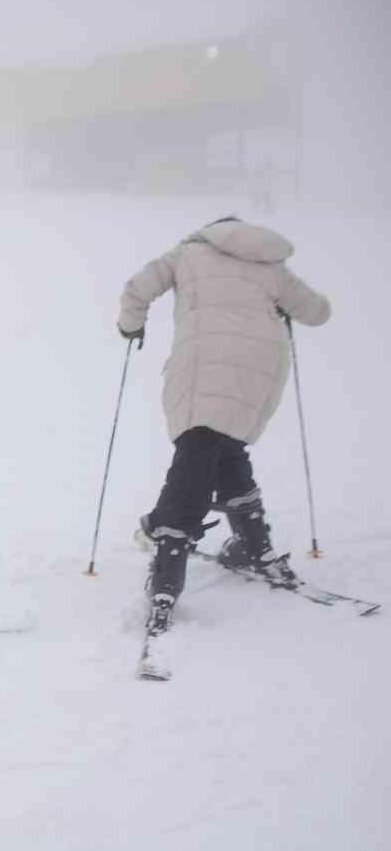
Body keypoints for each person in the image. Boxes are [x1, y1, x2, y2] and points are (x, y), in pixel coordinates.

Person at [119, 215, 331, 616]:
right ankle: (253, 548)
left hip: (204, 366)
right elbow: (317, 312)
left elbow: (137, 289)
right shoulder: (271, 265)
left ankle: (168, 563)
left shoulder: (187, 252)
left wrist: (131, 326)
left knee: (197, 446)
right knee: (225, 447)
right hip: (260, 369)